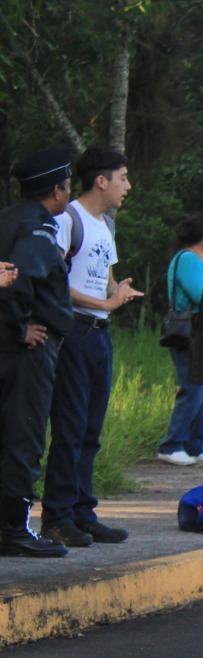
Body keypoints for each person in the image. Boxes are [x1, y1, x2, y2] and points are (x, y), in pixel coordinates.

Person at [40, 146, 141, 548]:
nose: (127, 186)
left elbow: (106, 279)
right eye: (123, 178)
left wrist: (118, 291)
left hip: (99, 333)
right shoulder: (68, 220)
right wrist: (105, 303)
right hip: (74, 333)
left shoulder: (105, 225)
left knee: (91, 430)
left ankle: (83, 513)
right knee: (70, 426)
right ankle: (57, 517)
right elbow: (54, 283)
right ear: (101, 180)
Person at [0, 149, 76, 558]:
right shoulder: (38, 227)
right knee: (24, 435)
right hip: (26, 352)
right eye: (67, 185)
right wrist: (20, 327)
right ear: (56, 190)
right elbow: (18, 279)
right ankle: (14, 528)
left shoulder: (9, 217)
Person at [156, 213, 203, 466]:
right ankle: (171, 445)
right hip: (190, 331)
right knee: (194, 388)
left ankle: (195, 444)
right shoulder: (188, 259)